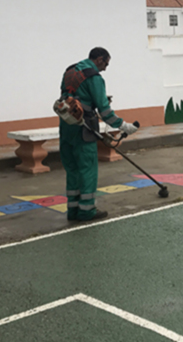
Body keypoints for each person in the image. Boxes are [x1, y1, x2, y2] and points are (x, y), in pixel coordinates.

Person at [58, 47, 138, 222]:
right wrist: (124, 126)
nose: (105, 69)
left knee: (72, 169)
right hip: (84, 129)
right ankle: (86, 211)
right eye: (106, 64)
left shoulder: (70, 71)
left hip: (66, 127)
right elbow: (105, 111)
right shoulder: (94, 77)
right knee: (87, 169)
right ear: (100, 59)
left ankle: (73, 210)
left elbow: (72, 97)